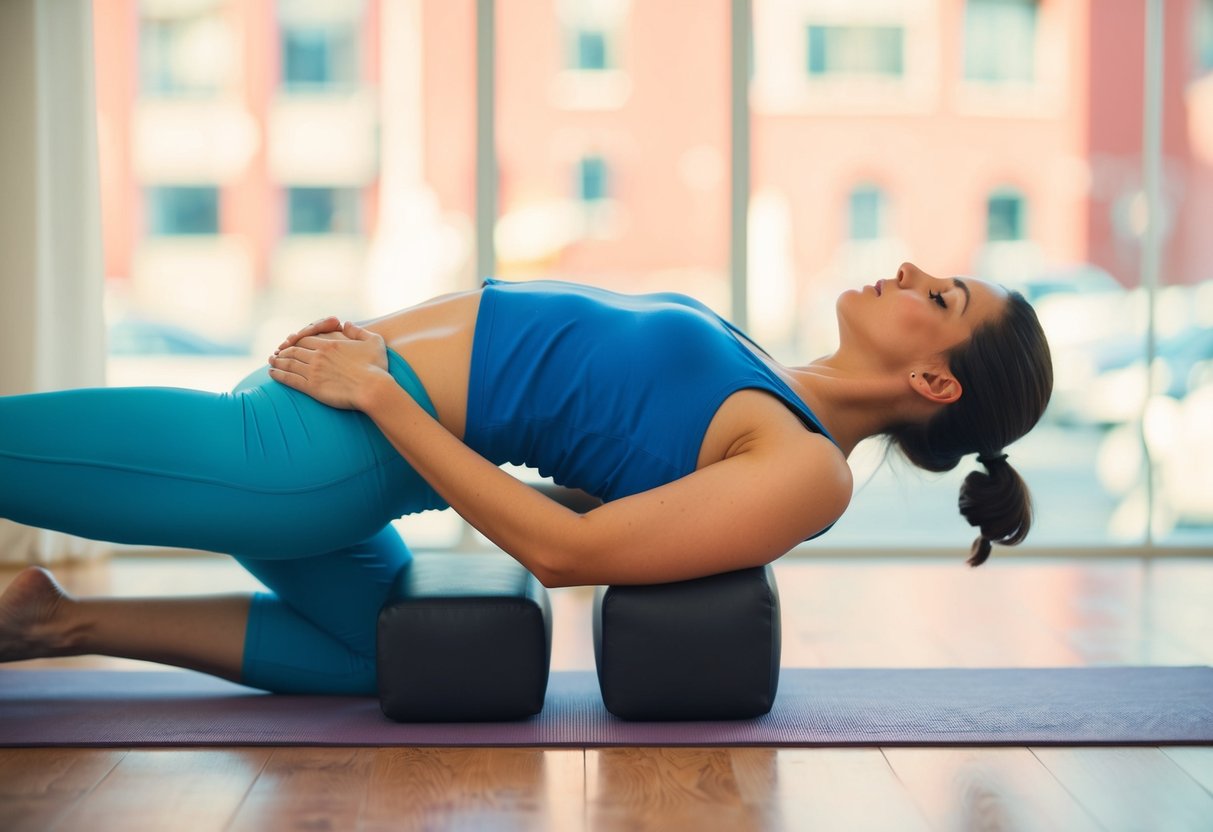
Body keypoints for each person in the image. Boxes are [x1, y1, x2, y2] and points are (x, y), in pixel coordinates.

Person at [0, 262, 1052, 694]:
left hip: (325, 457)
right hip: (337, 413)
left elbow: (569, 549)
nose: (913, 270)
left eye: (942, 296)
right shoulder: (767, 366)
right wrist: (371, 367)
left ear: (932, 379)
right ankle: (55, 624)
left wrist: (382, 395)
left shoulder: (806, 471)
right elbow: (585, 465)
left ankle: (59, 627)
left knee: (375, 657)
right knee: (379, 655)